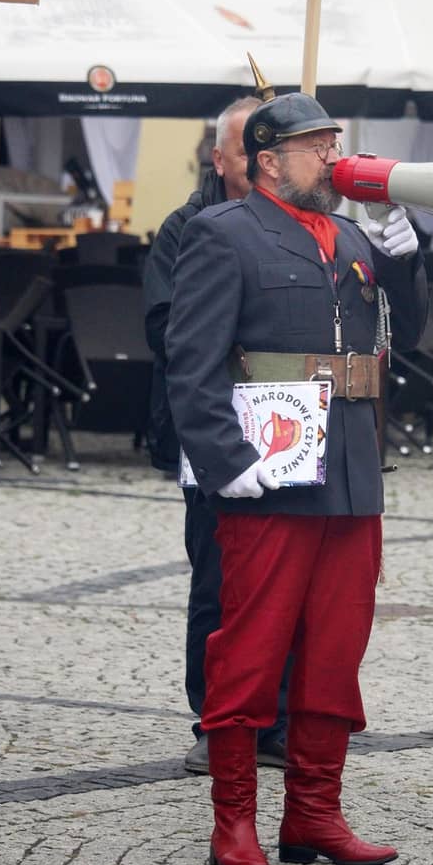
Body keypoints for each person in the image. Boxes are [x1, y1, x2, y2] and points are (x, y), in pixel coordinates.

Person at [165, 91, 429, 865]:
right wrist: (226, 462)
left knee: (335, 651)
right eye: (318, 146)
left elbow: (409, 333)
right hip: (270, 474)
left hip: (350, 474)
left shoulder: (351, 234)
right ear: (269, 160)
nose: (335, 158)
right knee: (250, 649)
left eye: (335, 142)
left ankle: (314, 813)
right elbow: (191, 361)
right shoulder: (224, 233)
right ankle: (234, 820)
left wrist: (403, 259)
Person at [143, 96, 289, 774]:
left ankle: (275, 719)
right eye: (247, 148)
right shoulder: (186, 228)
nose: (260, 159)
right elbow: (164, 329)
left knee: (285, 580)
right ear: (221, 157)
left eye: (268, 147)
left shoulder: (299, 222)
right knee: (217, 579)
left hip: (288, 422)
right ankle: (215, 719)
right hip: (213, 427)